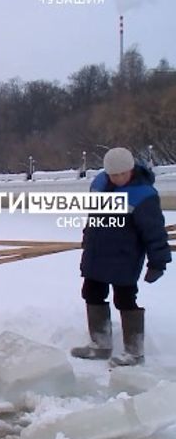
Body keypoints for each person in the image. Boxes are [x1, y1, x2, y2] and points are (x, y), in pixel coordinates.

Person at [71, 147, 170, 366]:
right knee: (91, 293)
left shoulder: (143, 195)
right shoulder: (99, 185)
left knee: (125, 299)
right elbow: (93, 216)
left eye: (121, 174)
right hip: (97, 253)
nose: (117, 179)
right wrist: (88, 237)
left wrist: (158, 262)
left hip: (124, 257)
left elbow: (155, 232)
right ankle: (100, 345)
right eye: (112, 175)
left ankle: (134, 352)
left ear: (131, 169)